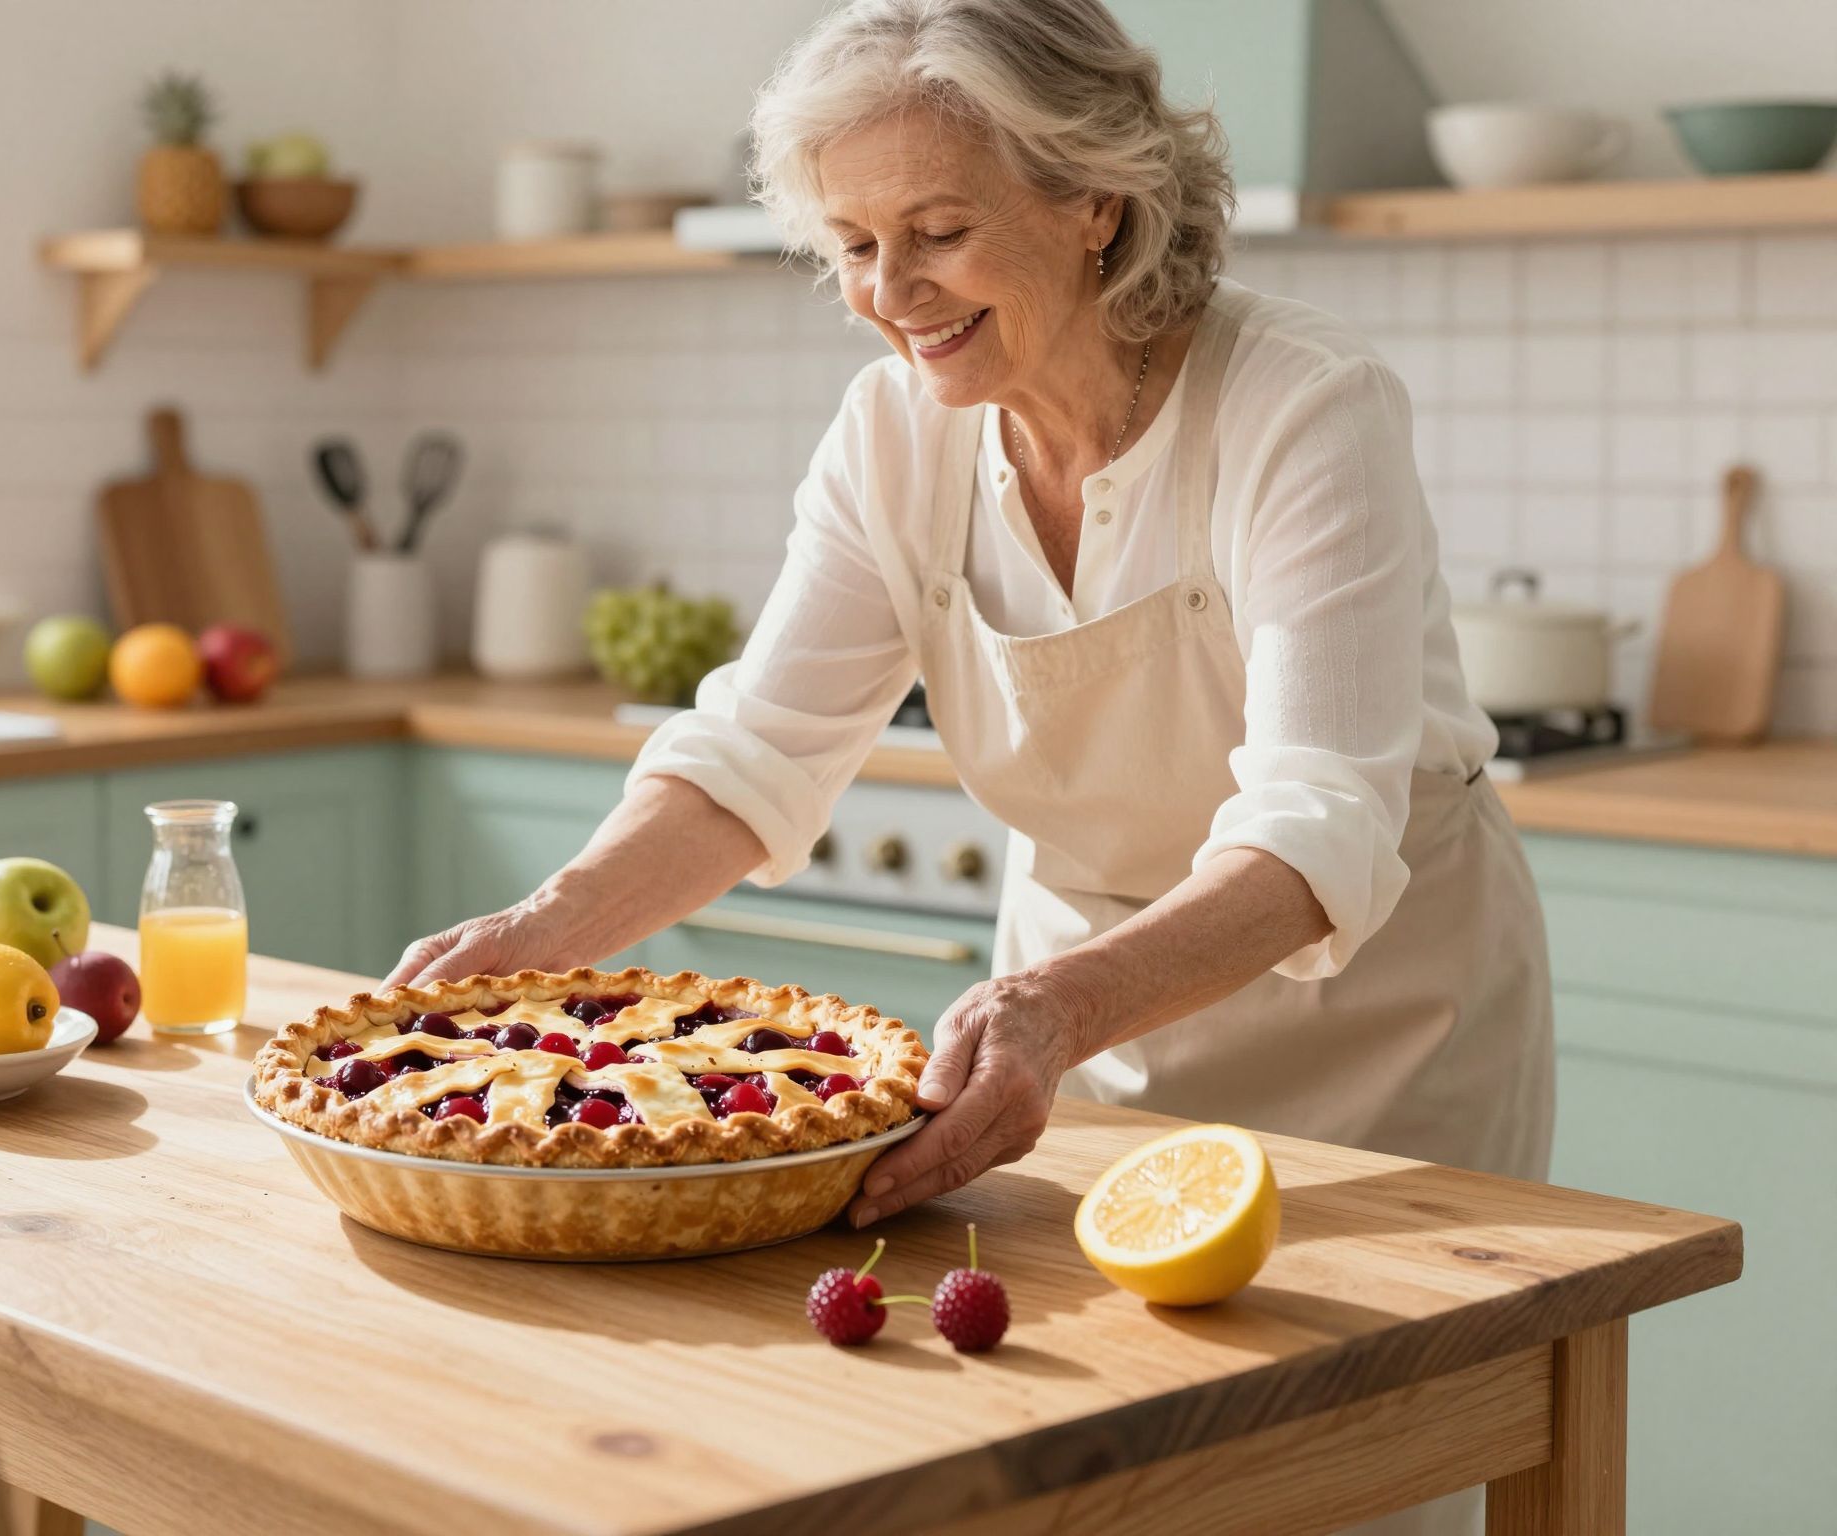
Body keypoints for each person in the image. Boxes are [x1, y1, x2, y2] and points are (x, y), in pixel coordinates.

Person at [390, 7, 1551, 1529]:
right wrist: (551, 930)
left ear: (1095, 203)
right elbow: (759, 747)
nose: (888, 295)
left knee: (1337, 1487)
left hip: (1379, 1029)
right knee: (1083, 1473)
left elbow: (1321, 820)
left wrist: (1050, 1010)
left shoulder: (1300, 404)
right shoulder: (895, 436)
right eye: (853, 245)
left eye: (936, 231)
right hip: (1070, 1030)